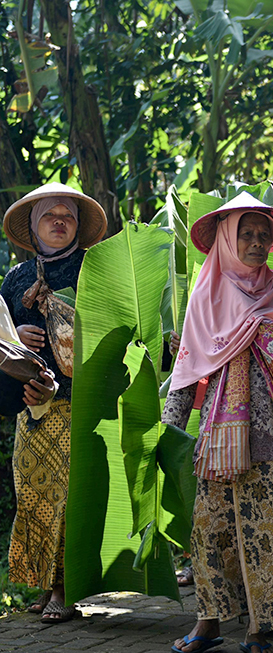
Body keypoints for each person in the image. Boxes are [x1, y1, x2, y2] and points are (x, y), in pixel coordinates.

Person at [162, 193, 273, 653]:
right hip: (218, 434)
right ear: (227, 237)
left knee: (270, 529)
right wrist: (166, 432)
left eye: (264, 234)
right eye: (247, 233)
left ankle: (262, 626)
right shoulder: (205, 296)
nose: (257, 242)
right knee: (210, 527)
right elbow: (186, 369)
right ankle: (208, 621)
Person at [1, 183, 107, 623]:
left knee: (67, 497)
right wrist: (19, 336)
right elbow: (3, 340)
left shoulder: (95, 270)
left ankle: (67, 588)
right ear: (34, 226)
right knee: (34, 495)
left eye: (68, 216)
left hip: (79, 403)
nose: (60, 222)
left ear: (78, 227)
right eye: (50, 216)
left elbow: (113, 329)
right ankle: (47, 584)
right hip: (32, 406)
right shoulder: (16, 279)